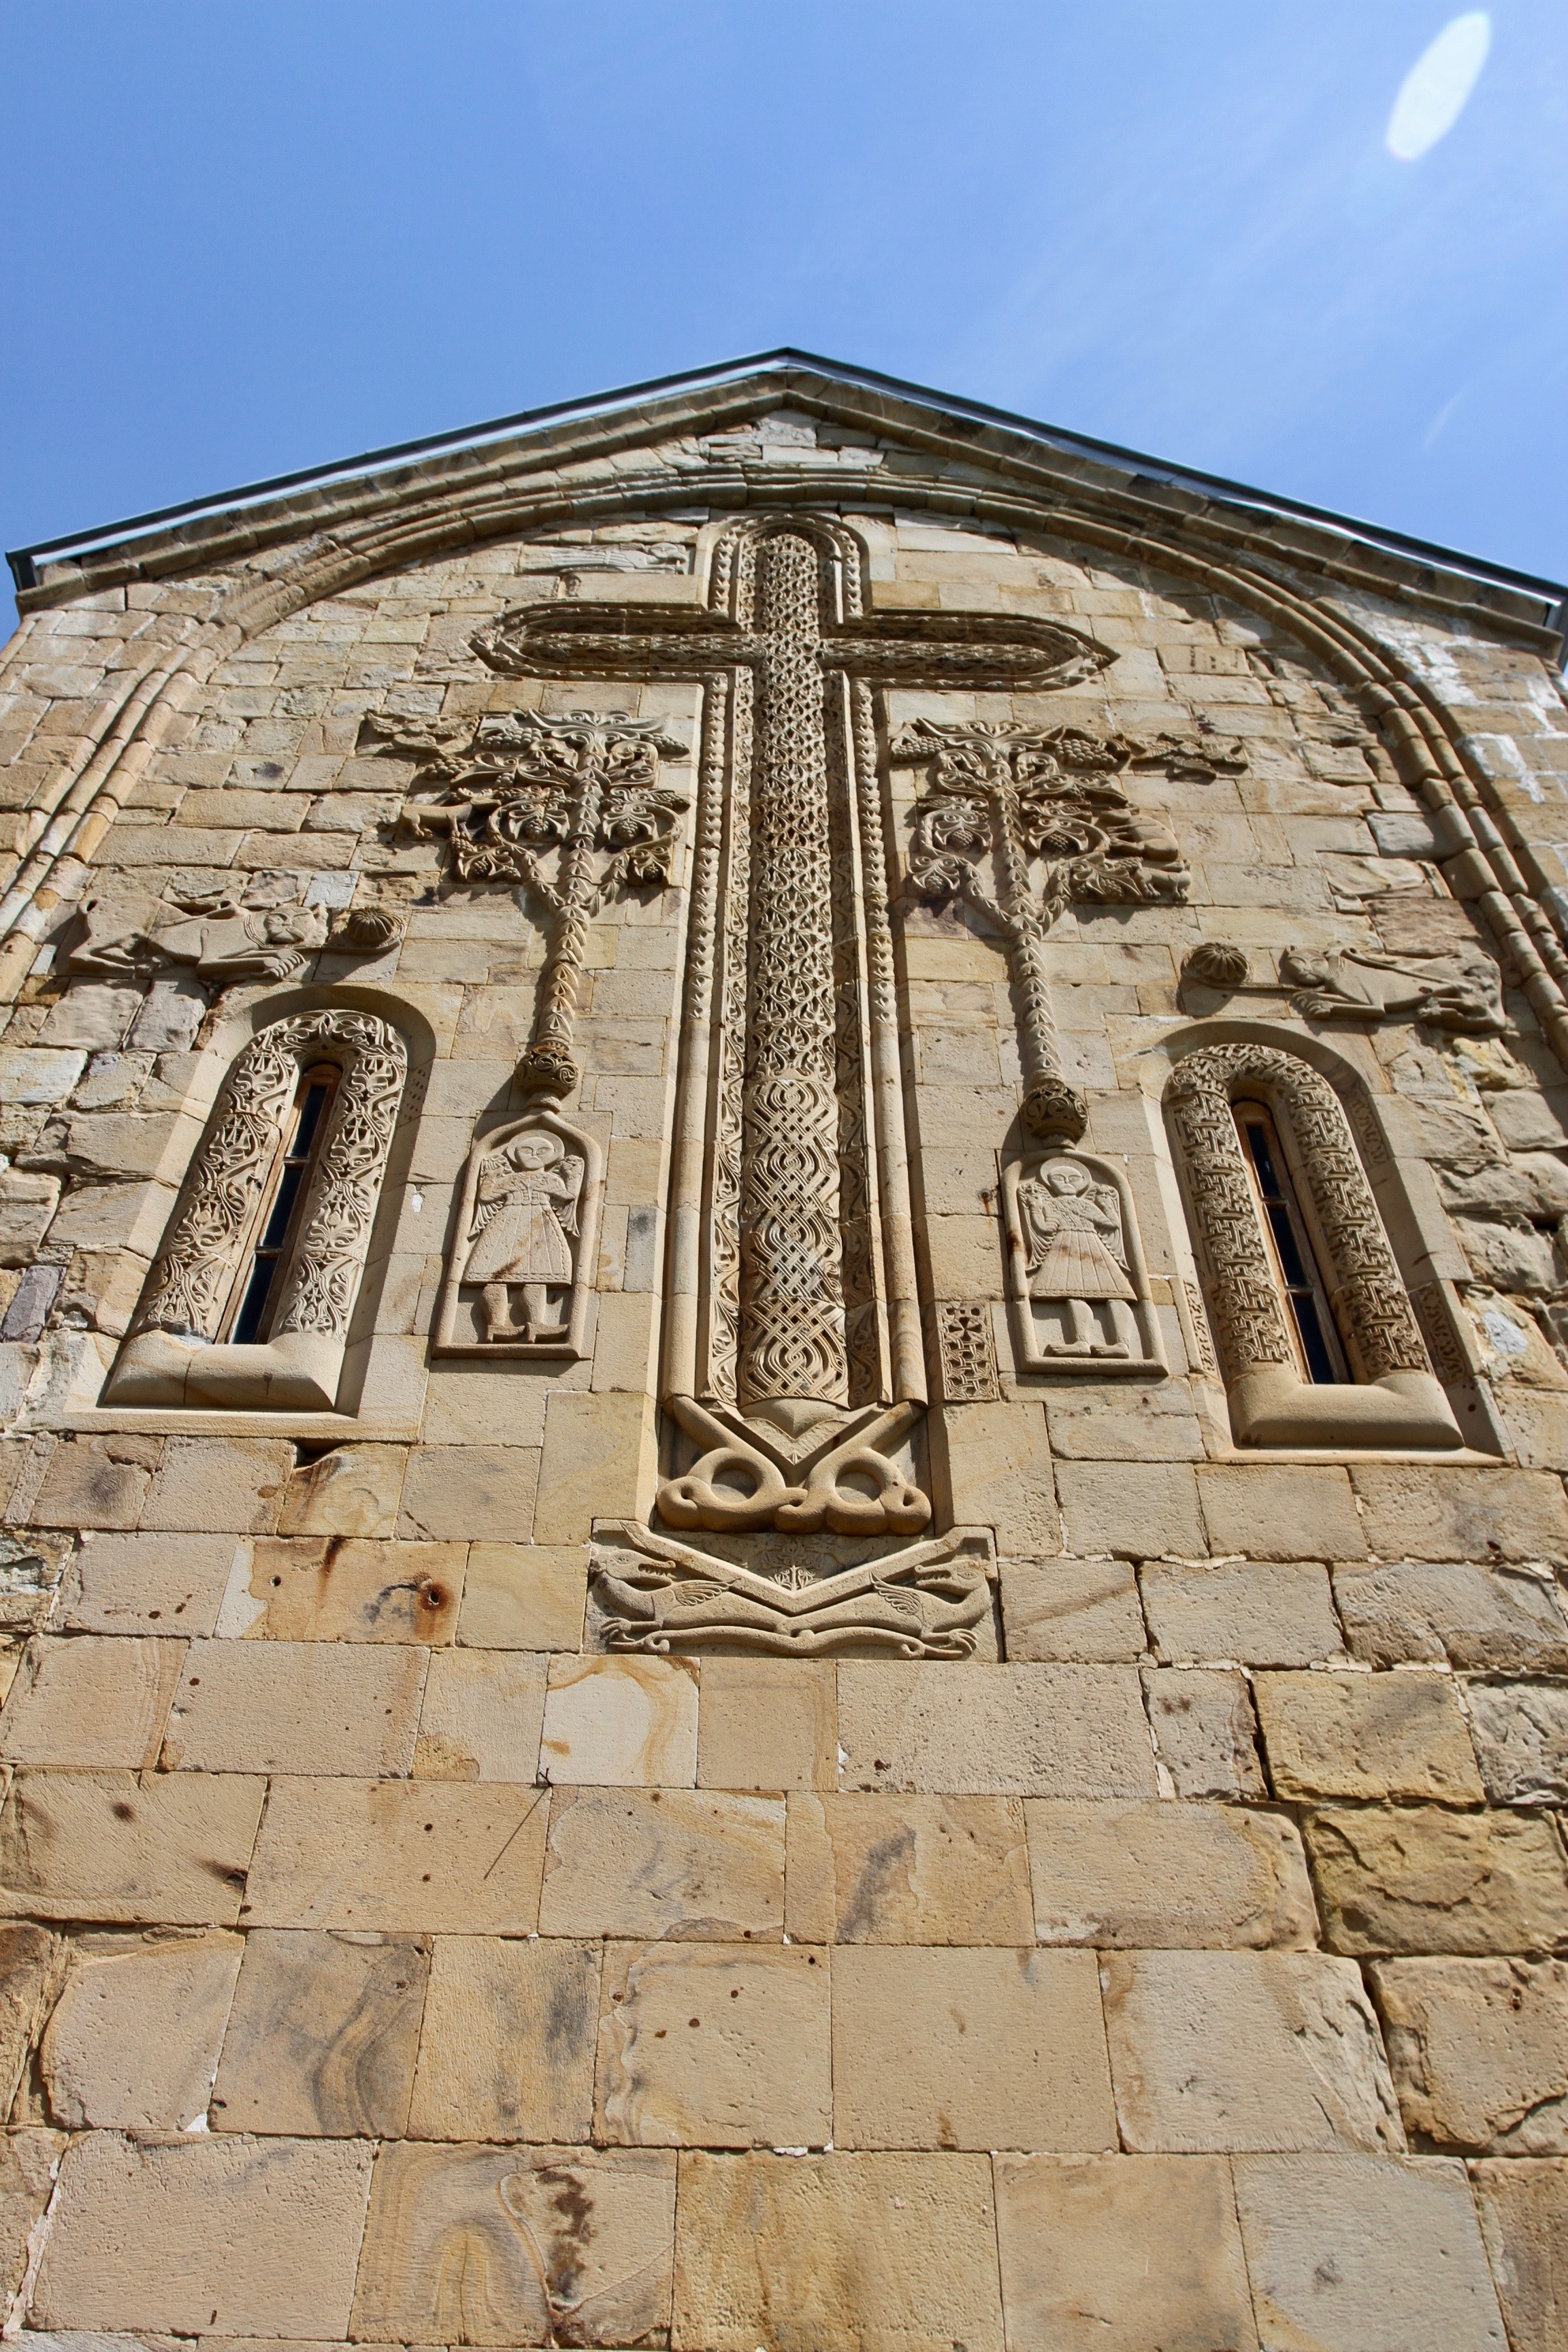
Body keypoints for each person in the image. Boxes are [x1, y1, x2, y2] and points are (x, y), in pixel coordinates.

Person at [462, 1128, 584, 1343]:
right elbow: (486, 1195)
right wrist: (491, 1175)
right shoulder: (512, 1180)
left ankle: (536, 1324)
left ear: (552, 1155)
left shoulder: (551, 1180)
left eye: (542, 1150)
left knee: (538, 1274)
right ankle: (495, 1325)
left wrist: (572, 1176)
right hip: (507, 1224)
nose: (534, 1155)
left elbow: (569, 1197)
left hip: (540, 1226)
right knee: (495, 1275)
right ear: (516, 1154)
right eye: (527, 1150)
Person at [1015, 1156, 1133, 1355]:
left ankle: (1122, 1344)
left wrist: (1107, 1206)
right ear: (1051, 1182)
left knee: (1116, 1294)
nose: (1067, 1183)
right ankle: (1081, 1342)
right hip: (1065, 1246)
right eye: (1060, 1178)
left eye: (1073, 1179)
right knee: (1073, 1295)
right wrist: (1034, 1207)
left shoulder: (1087, 1205)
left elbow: (1111, 1224)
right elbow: (1045, 1227)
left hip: (1092, 1247)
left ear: (1082, 1183)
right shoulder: (1050, 1205)